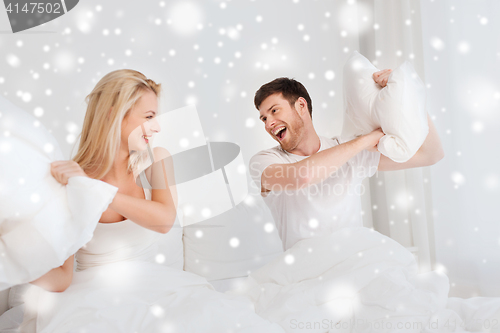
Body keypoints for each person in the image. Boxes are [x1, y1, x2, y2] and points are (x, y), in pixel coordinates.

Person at [27, 69, 284, 333]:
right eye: (149, 117)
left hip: (155, 286)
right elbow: (61, 278)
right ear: (113, 114)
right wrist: (13, 260)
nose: (157, 126)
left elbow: (163, 220)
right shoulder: (73, 180)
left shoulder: (155, 160)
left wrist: (95, 191)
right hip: (94, 295)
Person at [249, 70, 445, 251]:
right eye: (264, 118)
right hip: (304, 273)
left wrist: (407, 94)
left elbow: (431, 154)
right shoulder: (264, 161)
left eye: (274, 111)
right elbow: (302, 177)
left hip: (353, 267)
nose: (269, 124)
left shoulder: (347, 149)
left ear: (301, 106)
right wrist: (365, 140)